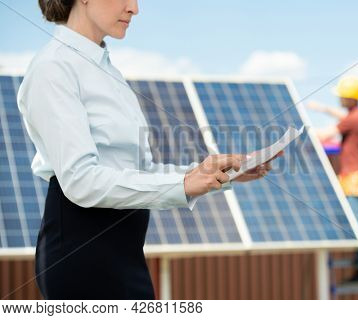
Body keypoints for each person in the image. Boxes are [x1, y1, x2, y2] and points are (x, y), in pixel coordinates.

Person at [17, 0, 281, 299]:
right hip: (80, 253)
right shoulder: (53, 68)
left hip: (125, 250)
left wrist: (210, 174)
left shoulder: (106, 71)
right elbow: (80, 180)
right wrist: (183, 183)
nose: (134, 8)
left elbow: (139, 172)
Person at [307, 76, 358, 282]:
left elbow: (324, 134)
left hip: (356, 177)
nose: (338, 99)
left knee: (357, 224)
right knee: (356, 221)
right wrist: (323, 109)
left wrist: (302, 131)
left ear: (348, 97)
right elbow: (341, 117)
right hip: (357, 176)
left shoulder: (353, 120)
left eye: (340, 96)